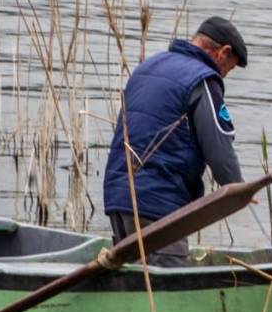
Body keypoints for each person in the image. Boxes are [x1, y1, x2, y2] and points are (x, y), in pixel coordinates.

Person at [102, 16, 249, 266]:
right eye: (230, 68)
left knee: (136, 286)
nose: (224, 75)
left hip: (118, 197)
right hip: (159, 206)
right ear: (223, 52)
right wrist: (238, 190)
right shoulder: (203, 80)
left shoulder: (148, 66)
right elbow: (219, 148)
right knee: (166, 286)